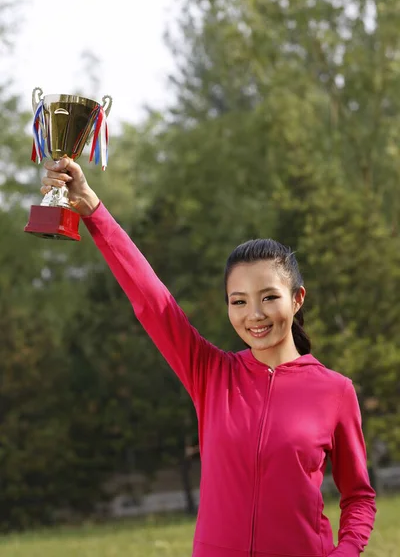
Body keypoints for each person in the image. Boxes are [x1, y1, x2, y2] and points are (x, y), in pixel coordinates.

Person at [42, 157, 376, 557]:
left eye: (269, 297)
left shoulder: (335, 392)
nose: (255, 314)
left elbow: (359, 496)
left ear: (297, 298)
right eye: (239, 301)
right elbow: (153, 302)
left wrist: (346, 551)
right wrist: (94, 211)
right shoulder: (212, 374)